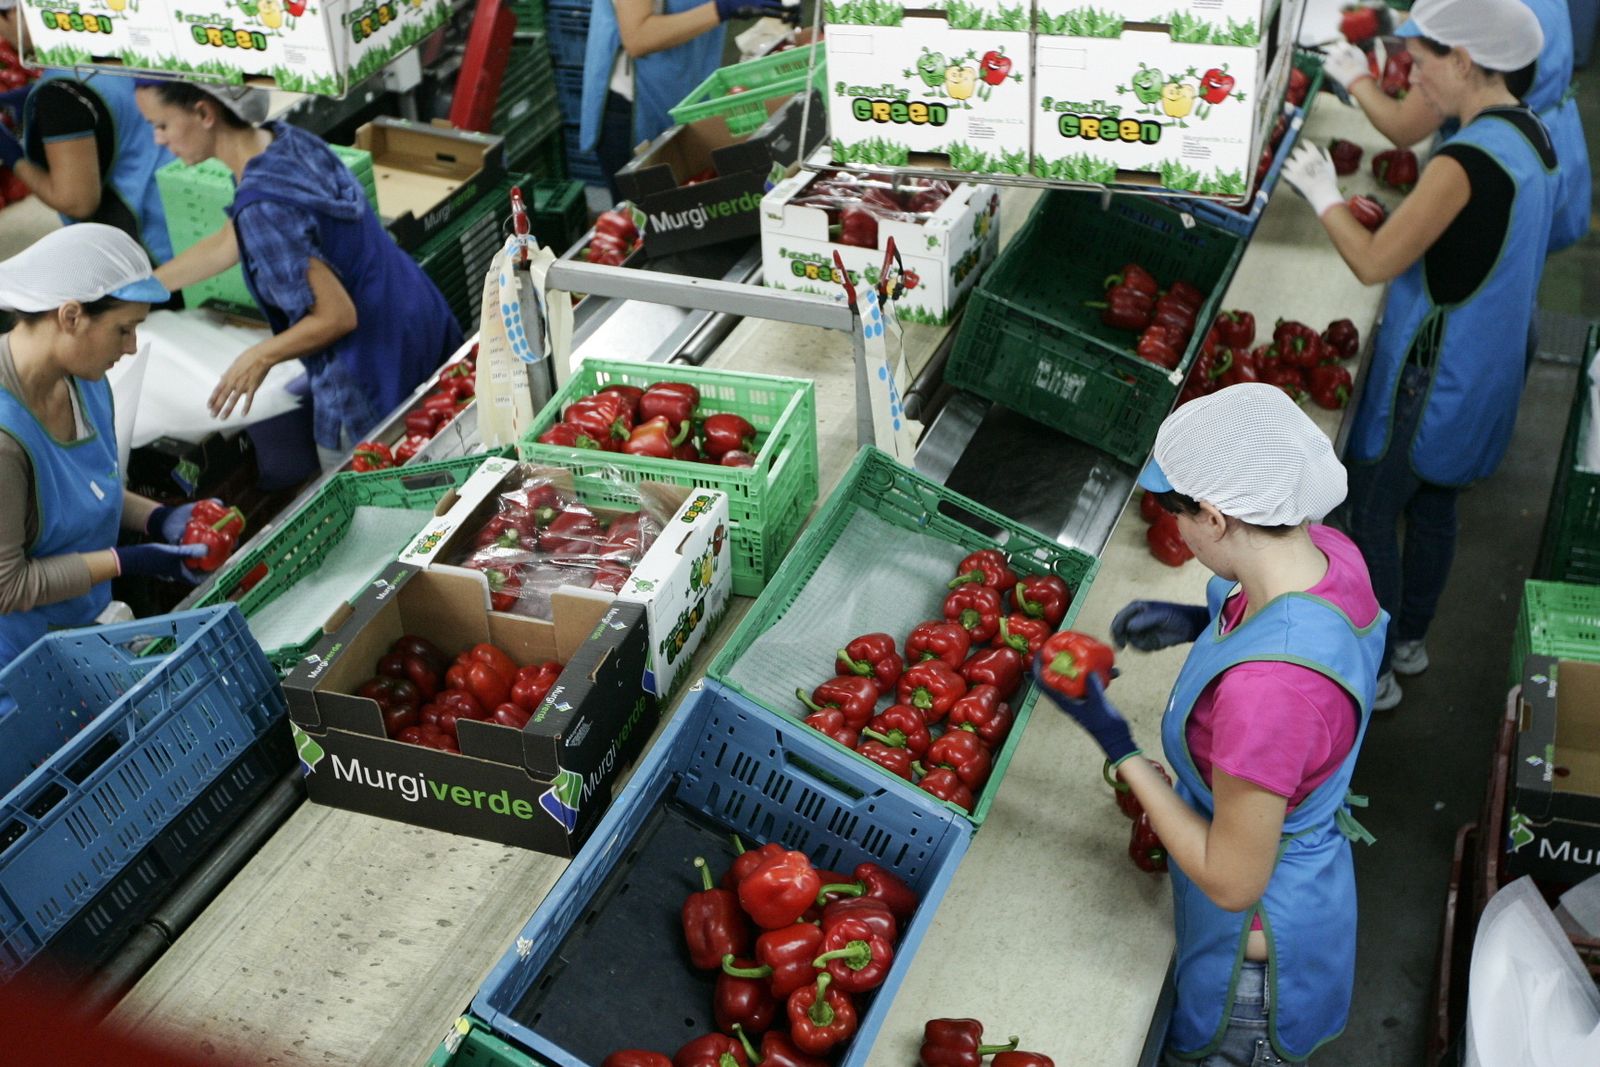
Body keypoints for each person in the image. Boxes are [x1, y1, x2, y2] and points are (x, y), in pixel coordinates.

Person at [1039, 384, 1387, 1067]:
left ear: (1214, 515)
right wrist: (1205, 624)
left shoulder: (1268, 695)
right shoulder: (1330, 554)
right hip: (1310, 887)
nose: (1174, 531)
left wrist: (1118, 745)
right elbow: (1309, 635)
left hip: (1250, 976)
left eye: (1178, 514)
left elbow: (1232, 879)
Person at [1281, 0, 1555, 711]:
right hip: (1488, 366)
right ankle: (1411, 639)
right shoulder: (1528, 131)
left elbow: (1375, 262)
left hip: (1430, 376)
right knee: (1435, 505)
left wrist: (1321, 195)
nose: (1413, 74)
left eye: (1423, 59)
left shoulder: (1462, 161)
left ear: (1463, 61)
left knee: (1370, 511)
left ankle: (1373, 670)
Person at [134, 82, 462, 471]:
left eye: (162, 125)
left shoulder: (266, 207)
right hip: (412, 316)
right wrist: (143, 289)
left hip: (368, 371)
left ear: (206, 114)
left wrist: (259, 357)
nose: (157, 139)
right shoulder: (283, 141)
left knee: (379, 494)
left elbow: (336, 317)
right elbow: (232, 238)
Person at [0, 225, 208, 668]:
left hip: (83, 632)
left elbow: (88, 489)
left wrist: (158, 517)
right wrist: (126, 560)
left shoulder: (86, 383)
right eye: (124, 330)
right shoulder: (4, 439)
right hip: (22, 666)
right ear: (71, 316)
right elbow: (8, 587)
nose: (132, 347)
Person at [1321, 0, 1589, 253]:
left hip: (1502, 163)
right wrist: (1394, 21)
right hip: (1548, 141)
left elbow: (1404, 128)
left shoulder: (1466, 157)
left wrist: (1355, 79)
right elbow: (1478, 22)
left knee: (1492, 268)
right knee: (1518, 267)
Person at [0, 1, 176, 269]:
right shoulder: (122, 48)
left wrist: (12, 154)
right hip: (181, 212)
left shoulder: (62, 95)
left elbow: (77, 202)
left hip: (147, 248)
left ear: (15, 13)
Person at [579, 0, 789, 197]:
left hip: (685, 88)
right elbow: (637, 37)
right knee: (653, 219)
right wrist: (722, 8)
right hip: (637, 111)